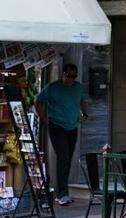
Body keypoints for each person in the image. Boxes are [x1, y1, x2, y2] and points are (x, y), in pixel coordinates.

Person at [35, 63, 88, 205]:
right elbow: (38, 101)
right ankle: (61, 193)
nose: (71, 79)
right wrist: (43, 118)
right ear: (63, 74)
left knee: (68, 158)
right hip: (57, 125)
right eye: (69, 76)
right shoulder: (53, 88)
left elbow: (82, 100)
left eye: (74, 76)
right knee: (63, 156)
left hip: (72, 126)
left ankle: (63, 190)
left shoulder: (78, 88)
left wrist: (84, 114)